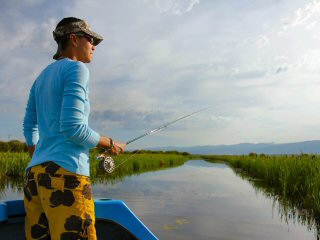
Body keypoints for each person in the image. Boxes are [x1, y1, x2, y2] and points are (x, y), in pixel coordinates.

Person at [23, 17, 126, 240]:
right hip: (67, 176)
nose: (94, 46)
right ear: (74, 39)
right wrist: (110, 143)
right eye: (90, 39)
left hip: (34, 178)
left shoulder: (40, 78)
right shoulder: (77, 69)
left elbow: (29, 125)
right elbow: (73, 128)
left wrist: (40, 157)